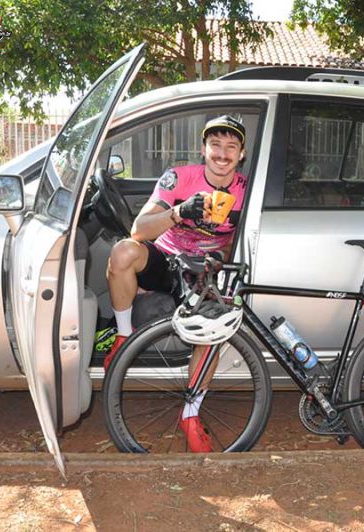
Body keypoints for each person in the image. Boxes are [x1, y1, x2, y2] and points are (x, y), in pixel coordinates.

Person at [104, 115, 248, 452]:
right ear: (203, 149)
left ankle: (191, 414)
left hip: (206, 271)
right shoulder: (179, 177)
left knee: (213, 329)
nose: (222, 154)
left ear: (241, 154)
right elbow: (138, 230)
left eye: (231, 147)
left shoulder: (246, 189)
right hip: (168, 260)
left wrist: (221, 256)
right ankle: (123, 338)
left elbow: (242, 238)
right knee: (123, 252)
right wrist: (179, 212)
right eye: (215, 145)